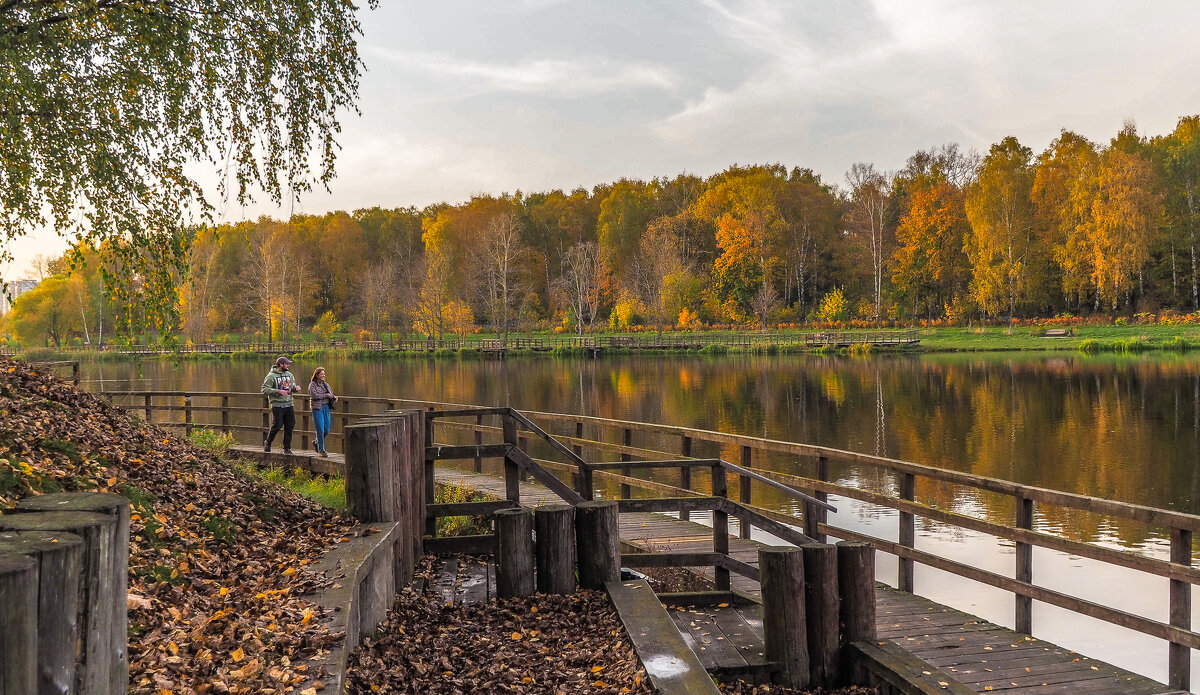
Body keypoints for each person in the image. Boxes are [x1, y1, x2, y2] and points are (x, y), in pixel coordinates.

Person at [261, 356, 301, 454]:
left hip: (289, 403)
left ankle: (287, 448)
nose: (288, 365)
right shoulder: (271, 376)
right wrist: (278, 391)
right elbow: (264, 389)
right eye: (287, 364)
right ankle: (268, 442)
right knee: (277, 425)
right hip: (277, 405)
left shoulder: (290, 375)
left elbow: (291, 388)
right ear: (281, 365)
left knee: (290, 425)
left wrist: (295, 389)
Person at [308, 366, 338, 456]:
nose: (323, 376)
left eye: (324, 374)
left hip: (326, 408)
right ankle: (322, 450)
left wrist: (334, 397)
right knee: (320, 430)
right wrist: (325, 395)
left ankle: (317, 442)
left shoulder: (326, 384)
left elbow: (330, 394)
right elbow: (314, 396)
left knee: (326, 430)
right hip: (317, 408)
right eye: (321, 374)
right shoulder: (312, 385)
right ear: (317, 375)